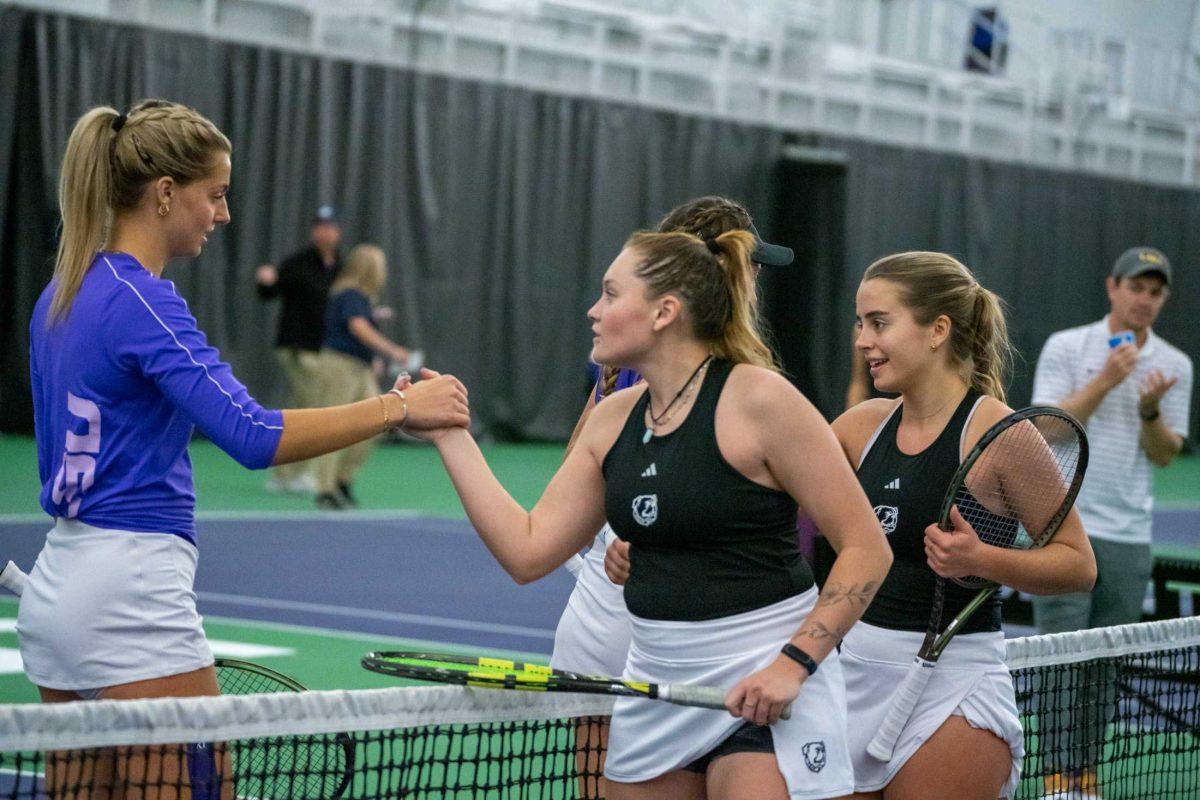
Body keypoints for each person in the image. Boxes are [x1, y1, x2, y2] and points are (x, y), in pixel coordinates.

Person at [20, 100, 468, 799]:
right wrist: (400, 407)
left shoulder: (61, 294)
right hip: (132, 593)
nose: (223, 214)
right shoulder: (144, 304)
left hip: (57, 596)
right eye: (216, 195)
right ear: (165, 193)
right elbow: (254, 437)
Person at [405, 228, 892, 800]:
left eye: (610, 294)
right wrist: (450, 438)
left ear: (664, 312)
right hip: (656, 687)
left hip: (766, 687)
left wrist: (793, 664)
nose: (593, 311)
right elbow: (528, 550)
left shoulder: (762, 401)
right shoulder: (612, 420)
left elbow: (866, 549)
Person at [828, 251, 1096, 800]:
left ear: (937, 331)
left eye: (879, 323)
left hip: (954, 686)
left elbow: (1078, 564)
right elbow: (771, 513)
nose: (862, 341)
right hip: (849, 675)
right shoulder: (857, 429)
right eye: (860, 324)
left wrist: (982, 561)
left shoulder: (1000, 434)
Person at [1029, 246, 1192, 796]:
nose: (1144, 299)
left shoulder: (1176, 365)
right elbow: (1047, 432)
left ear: (1163, 299)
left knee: (1104, 663)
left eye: (1155, 291)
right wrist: (1106, 380)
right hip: (1061, 524)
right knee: (1059, 659)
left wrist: (1149, 410)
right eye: (1136, 287)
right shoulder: (1068, 346)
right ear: (1112, 287)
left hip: (1128, 536)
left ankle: (1085, 777)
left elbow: (1166, 454)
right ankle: (1056, 778)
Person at [313, 243, 413, 509]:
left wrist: (373, 359)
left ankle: (342, 480)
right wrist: (391, 350)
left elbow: (360, 326)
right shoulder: (350, 295)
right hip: (338, 365)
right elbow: (358, 328)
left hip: (358, 367)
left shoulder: (360, 299)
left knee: (378, 422)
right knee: (333, 426)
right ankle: (325, 489)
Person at [254, 204, 343, 495]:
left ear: (337, 232)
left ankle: (287, 473)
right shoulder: (299, 262)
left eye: (329, 226)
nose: (324, 231)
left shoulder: (341, 268)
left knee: (303, 407)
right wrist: (265, 280)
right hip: (296, 347)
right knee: (314, 409)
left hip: (323, 349)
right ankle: (301, 474)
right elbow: (270, 291)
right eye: (319, 225)